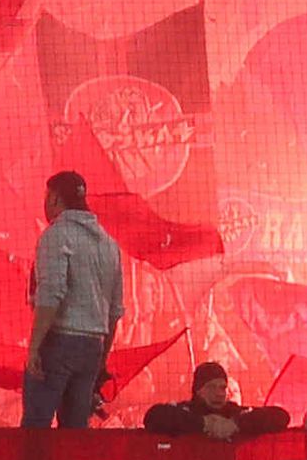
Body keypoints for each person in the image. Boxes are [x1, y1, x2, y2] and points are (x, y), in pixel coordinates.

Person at [19, 171, 126, 430]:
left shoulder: (55, 236)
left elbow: (51, 294)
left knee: (36, 425)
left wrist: (35, 346)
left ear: (55, 199)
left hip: (59, 342)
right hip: (92, 348)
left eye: (46, 198)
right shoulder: (109, 244)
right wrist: (102, 356)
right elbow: (115, 310)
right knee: (76, 430)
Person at [142, 361, 288, 441]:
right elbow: (153, 417)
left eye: (223, 388)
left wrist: (235, 425)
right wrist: (204, 424)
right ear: (198, 390)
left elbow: (281, 416)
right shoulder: (184, 410)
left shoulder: (234, 412)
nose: (219, 394)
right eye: (212, 387)